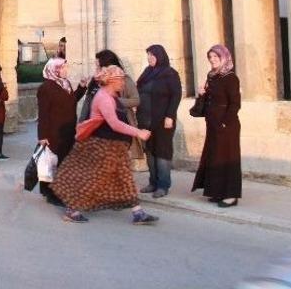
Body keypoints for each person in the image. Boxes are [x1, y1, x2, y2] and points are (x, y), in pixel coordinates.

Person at [50, 66, 158, 225]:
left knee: (126, 178)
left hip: (115, 146)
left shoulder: (111, 95)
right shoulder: (103, 98)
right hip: (102, 146)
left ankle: (138, 213)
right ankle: (72, 210)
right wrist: (138, 132)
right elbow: (114, 124)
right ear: (112, 81)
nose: (123, 83)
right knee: (93, 179)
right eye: (120, 80)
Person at [192, 44, 242, 207]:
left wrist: (224, 123)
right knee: (215, 158)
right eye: (210, 57)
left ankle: (231, 196)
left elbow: (235, 104)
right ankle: (218, 192)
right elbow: (209, 100)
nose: (212, 60)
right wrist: (202, 94)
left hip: (227, 126)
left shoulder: (231, 78)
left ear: (224, 57)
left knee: (228, 159)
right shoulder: (212, 76)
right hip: (212, 124)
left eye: (216, 56)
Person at [37, 57, 86, 205]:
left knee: (61, 162)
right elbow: (43, 114)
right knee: (54, 163)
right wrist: (43, 135)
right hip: (53, 132)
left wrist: (81, 87)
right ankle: (53, 195)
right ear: (55, 69)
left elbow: (71, 101)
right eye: (63, 67)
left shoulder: (65, 84)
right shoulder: (46, 88)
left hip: (67, 130)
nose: (66, 70)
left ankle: (49, 190)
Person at [136, 44, 182, 198]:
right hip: (145, 120)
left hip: (162, 120)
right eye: (148, 55)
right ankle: (153, 182)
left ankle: (163, 185)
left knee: (162, 152)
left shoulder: (170, 74)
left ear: (160, 56)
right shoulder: (147, 72)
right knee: (150, 151)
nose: (149, 57)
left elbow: (176, 95)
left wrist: (170, 115)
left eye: (152, 55)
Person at [78, 49, 139, 121]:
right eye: (96, 66)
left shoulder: (124, 78)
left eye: (99, 66)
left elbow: (136, 100)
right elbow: (87, 102)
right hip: (95, 123)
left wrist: (114, 101)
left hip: (119, 121)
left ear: (108, 66)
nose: (97, 69)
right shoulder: (94, 80)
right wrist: (81, 121)